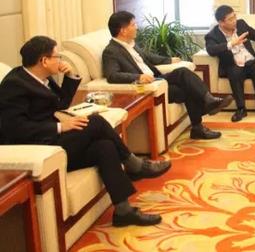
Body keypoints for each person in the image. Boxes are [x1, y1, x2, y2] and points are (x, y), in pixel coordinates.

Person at [0, 36, 171, 227]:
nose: (61, 60)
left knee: (104, 147)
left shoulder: (42, 78)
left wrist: (69, 77)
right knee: (96, 122)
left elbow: (60, 105)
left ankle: (123, 211)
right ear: (44, 60)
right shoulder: (13, 85)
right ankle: (135, 164)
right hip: (39, 148)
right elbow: (15, 128)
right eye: (57, 56)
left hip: (52, 140)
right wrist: (60, 126)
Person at [102, 11, 232, 140]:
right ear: (123, 30)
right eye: (133, 24)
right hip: (149, 86)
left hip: (157, 80)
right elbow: (112, 75)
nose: (136, 27)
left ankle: (202, 119)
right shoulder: (111, 51)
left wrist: (169, 60)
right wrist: (138, 77)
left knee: (186, 80)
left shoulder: (131, 44)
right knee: (184, 78)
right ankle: (207, 106)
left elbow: (149, 57)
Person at [205, 5, 255, 122]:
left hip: (251, 61)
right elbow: (211, 50)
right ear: (221, 23)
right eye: (230, 19)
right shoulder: (213, 35)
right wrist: (231, 44)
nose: (234, 20)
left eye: (234, 16)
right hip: (233, 64)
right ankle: (241, 109)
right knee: (234, 73)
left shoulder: (241, 25)